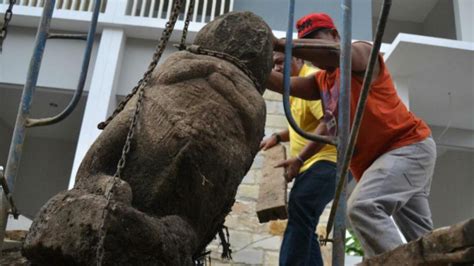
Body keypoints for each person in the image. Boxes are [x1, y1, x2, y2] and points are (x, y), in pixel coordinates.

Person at [266, 13, 436, 258]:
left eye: (317, 39)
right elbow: (287, 85)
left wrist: (280, 43)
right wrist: (249, 66)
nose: (312, 50)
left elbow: (335, 54)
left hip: (407, 148)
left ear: (336, 35)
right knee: (423, 239)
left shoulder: (363, 53)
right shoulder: (322, 81)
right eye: (307, 42)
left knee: (362, 207)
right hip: (385, 161)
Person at [260, 51, 337, 265]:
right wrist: (277, 136)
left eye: (280, 62)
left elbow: (329, 124)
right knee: (304, 221)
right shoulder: (295, 87)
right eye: (273, 65)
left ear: (299, 59)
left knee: (300, 208)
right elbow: (302, 125)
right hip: (315, 163)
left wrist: (300, 159)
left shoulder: (311, 80)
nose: (276, 69)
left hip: (329, 162)